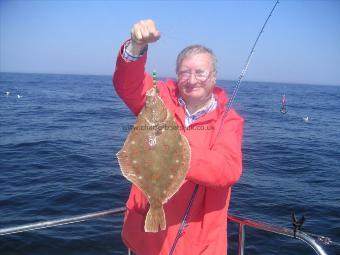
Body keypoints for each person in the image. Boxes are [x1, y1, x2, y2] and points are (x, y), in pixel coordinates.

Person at [113, 19, 244, 255]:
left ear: (214, 76)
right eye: (185, 72)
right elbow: (127, 85)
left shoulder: (229, 120)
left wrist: (173, 146)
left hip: (198, 245)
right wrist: (136, 47)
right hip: (146, 240)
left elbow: (227, 169)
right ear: (176, 75)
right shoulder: (158, 96)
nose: (192, 80)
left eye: (200, 72)